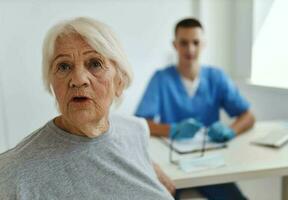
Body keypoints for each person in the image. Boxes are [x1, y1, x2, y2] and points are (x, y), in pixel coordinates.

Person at [0, 17, 175, 200]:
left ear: (120, 81)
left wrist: (149, 168)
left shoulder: (135, 130)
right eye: (64, 66)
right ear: (52, 83)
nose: (78, 79)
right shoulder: (11, 174)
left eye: (95, 64)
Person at [135, 18, 255, 200]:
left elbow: (248, 116)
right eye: (184, 43)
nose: (190, 49)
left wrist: (230, 131)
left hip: (210, 162)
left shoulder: (216, 77)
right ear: (175, 45)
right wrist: (172, 130)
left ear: (203, 44)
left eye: (195, 43)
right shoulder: (161, 79)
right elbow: (140, 123)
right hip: (173, 165)